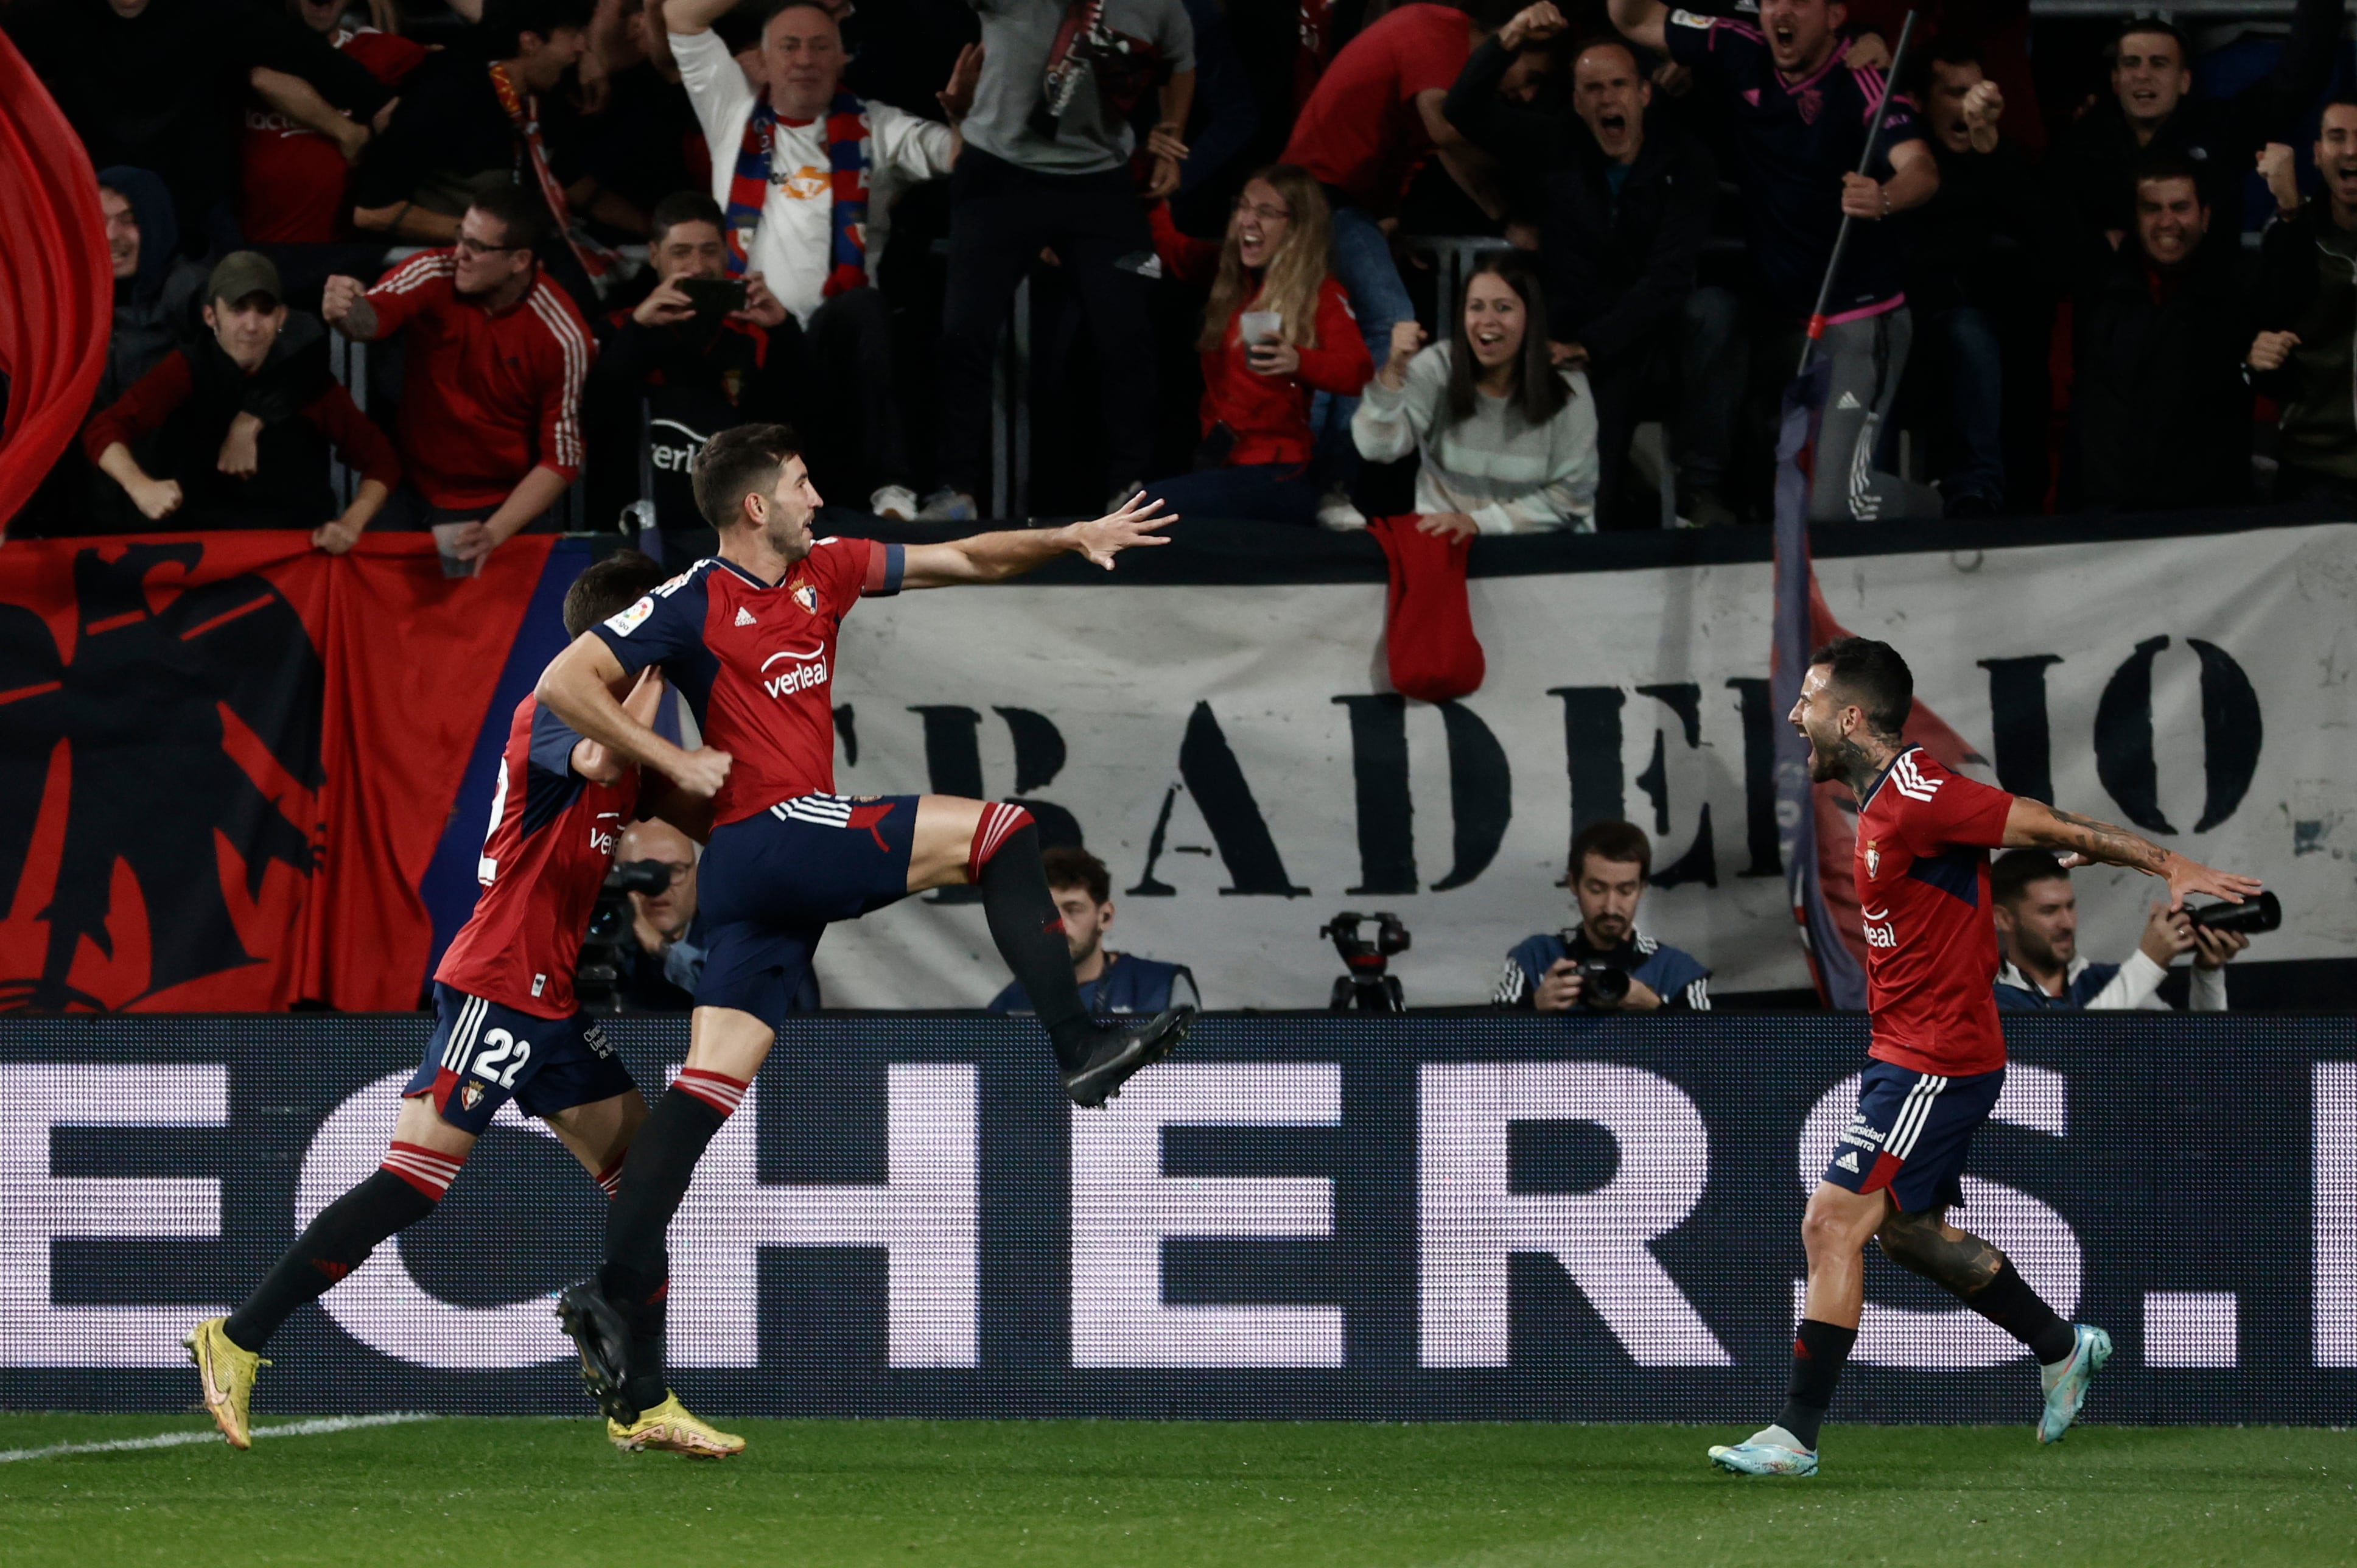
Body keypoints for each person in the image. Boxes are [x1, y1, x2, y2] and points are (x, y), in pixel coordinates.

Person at [533, 423, 1195, 1437]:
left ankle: (614, 1294)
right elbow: (564, 684)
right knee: (1005, 831)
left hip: (761, 885)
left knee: (705, 1090)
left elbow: (968, 556)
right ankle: (1078, 1042)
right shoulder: (694, 597)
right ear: (754, 507)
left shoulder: (829, 569)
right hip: (771, 836)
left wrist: (1069, 535)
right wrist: (670, 761)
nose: (817, 496)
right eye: (802, 484)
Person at [183, 553, 744, 1461]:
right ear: (631, 639)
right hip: (496, 982)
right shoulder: (560, 709)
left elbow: (694, 804)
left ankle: (642, 1404)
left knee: (645, 1184)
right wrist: (648, 668)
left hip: (548, 998)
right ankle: (237, 1338)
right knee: (412, 1184)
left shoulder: (627, 738)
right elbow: (605, 753)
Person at [1706, 635, 2261, 1477]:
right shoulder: (1890, 798)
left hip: (1937, 1056)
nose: (1795, 714)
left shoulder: (1918, 793)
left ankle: (1794, 1435)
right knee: (1910, 1238)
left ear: (1850, 718)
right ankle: (2061, 1346)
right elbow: (2017, 826)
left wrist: (2164, 860)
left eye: (1810, 700)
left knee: (1831, 1221)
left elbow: (2041, 819)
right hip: (1906, 1051)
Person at [1609, 0, 1942, 525]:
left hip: (1856, 322)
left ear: (1835, 17)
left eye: (1798, 1)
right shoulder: (1738, 46)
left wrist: (1881, 198)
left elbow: (1920, 168)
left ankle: (1938, 509)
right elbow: (1630, 18)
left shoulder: (1860, 78)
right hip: (1779, 323)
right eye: (1769, 1)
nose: (1779, 11)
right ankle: (1703, 502)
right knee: (1712, 320)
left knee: (1833, 508)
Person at [664, 0, 972, 518]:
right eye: (789, 45)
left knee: (867, 309)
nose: (804, 58)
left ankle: (893, 494)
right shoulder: (730, 109)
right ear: (763, 59)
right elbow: (680, 14)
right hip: (751, 334)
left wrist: (964, 116)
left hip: (835, 347)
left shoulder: (877, 124)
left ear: (841, 59)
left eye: (819, 45)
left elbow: (958, 157)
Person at [1444, 10, 1719, 529]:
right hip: (1565, 338)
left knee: (1715, 317)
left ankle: (1698, 492)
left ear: (1644, 94)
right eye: (1592, 88)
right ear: (1575, 102)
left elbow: (1667, 279)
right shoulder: (1557, 144)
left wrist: (1593, 346)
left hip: (1640, 340)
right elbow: (1462, 108)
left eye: (1618, 85)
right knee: (1582, 479)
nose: (1606, 98)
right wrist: (1509, 38)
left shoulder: (1686, 161)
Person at [925, 0, 1197, 521]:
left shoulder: (1158, 3)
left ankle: (1128, 490)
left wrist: (1172, 135)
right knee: (964, 332)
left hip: (1100, 182)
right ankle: (953, 488)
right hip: (998, 175)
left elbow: (1180, 59)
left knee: (1128, 334)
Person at [322, 184, 596, 569]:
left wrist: (494, 533)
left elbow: (561, 459)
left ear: (520, 260)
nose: (460, 254)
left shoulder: (563, 337)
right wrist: (344, 311)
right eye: (460, 237)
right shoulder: (434, 270)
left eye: (478, 247)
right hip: (410, 486)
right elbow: (371, 318)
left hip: (501, 503)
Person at [82, 251, 399, 547]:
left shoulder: (306, 376)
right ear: (210, 316)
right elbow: (104, 429)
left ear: (281, 318)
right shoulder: (186, 368)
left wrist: (350, 525)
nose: (251, 325)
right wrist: (140, 486)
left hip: (294, 550)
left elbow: (381, 461)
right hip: (207, 550)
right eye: (238, 309)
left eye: (264, 311)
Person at [12, 0, 394, 243]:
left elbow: (297, 50)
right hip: (101, 209)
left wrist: (376, 101)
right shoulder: (58, 14)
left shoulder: (208, 11)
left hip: (195, 209)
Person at [349, 0, 636, 300]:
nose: (581, 48)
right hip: (451, 276)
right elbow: (372, 213)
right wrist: (491, 241)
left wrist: (655, 228)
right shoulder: (444, 99)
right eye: (573, 36)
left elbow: (574, 187)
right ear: (530, 42)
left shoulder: (542, 98)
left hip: (520, 261)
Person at [1141, 166, 1371, 525]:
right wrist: (1152, 189)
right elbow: (1175, 252)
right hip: (1222, 462)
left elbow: (1358, 371)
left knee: (1149, 508)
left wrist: (1299, 361)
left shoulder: (1320, 293)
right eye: (1243, 207)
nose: (1248, 221)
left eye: (1265, 213)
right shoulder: (1230, 275)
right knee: (1145, 507)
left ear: (1296, 227)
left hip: (1279, 473)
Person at [583, 191, 799, 534]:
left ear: (727, 253)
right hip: (634, 520)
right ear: (654, 256)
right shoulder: (614, 329)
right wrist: (637, 332)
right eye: (681, 253)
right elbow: (592, 417)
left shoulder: (755, 334)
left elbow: (797, 425)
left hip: (731, 521)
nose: (698, 266)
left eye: (709, 251)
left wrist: (785, 331)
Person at [2048, 5, 2339, 254]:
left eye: (2159, 64)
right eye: (2131, 63)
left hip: (2208, 307)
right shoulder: (2082, 144)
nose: (2143, 75)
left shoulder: (2221, 128)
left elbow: (2297, 82)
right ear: (2115, 81)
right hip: (2116, 308)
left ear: (2185, 81)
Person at [1901, 43, 2052, 518]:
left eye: (1978, 92)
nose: (1970, 104)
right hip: (1903, 327)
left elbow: (2042, 232)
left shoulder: (1999, 157)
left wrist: (1990, 146)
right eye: (1955, 93)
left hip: (1986, 337)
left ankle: (1987, 495)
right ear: (1921, 103)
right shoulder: (1902, 158)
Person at [1352, 250, 1599, 536]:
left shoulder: (1569, 388)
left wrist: (1478, 525)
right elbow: (1376, 448)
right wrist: (1393, 370)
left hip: (1539, 553)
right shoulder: (1438, 367)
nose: (1487, 320)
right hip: (1448, 547)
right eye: (1476, 307)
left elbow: (1569, 499)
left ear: (1531, 317)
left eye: (1503, 308)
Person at [2066, 154, 2250, 513]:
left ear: (2206, 216)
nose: (2167, 223)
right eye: (2152, 209)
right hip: (2110, 519)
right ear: (2136, 220)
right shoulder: (2101, 294)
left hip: (2205, 521)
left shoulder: (2236, 294)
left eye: (2180, 207)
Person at [238, 0, 429, 247]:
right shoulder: (242, 54)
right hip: (252, 257)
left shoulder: (391, 54)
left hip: (348, 260)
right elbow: (259, 77)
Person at [2249, 99, 2357, 507]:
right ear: (2316, 155)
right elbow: (2268, 326)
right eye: (2337, 137)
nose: (2350, 150)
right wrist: (2292, 212)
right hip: (2313, 468)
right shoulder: (2290, 230)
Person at [1493, 819, 1709, 1011]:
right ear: (1573, 885)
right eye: (1597, 890)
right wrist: (1533, 1008)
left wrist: (1656, 1010)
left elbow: (1714, 1053)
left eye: (1625, 891)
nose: (1610, 908)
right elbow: (1486, 1050)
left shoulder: (1677, 971)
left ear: (1642, 888)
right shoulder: (1534, 958)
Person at [1989, 849, 2243, 1012]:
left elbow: (2198, 1054)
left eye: (2070, 907)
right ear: (2004, 919)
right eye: (2049, 911)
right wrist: (2149, 963)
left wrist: (2208, 974)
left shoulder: (2107, 981)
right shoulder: (1988, 1000)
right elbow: (2068, 1051)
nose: (2067, 922)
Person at [988, 845, 1199, 1014]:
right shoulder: (1009, 1005)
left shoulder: (1165, 987)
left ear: (1105, 917)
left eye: (1073, 910)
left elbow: (1199, 1066)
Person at [612, 817, 708, 1011]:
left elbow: (738, 992)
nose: (658, 888)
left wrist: (659, 947)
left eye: (673, 871)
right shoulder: (597, 937)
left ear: (699, 876)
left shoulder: (730, 934)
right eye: (642, 872)